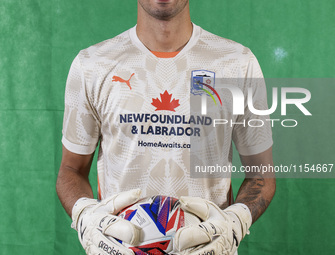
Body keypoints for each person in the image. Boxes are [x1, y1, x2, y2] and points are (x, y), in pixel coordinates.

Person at [56, 0, 276, 254]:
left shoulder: (237, 63)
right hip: (120, 248)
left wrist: (236, 222)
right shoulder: (92, 65)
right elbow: (71, 168)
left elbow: (262, 173)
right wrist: (86, 217)